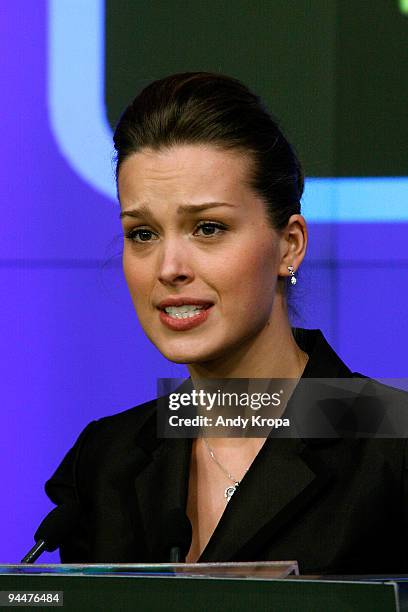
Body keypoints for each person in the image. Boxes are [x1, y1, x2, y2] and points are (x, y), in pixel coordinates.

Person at [45, 72, 408, 574]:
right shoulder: (106, 460)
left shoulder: (391, 445)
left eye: (208, 228)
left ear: (290, 245)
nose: (169, 267)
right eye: (143, 233)